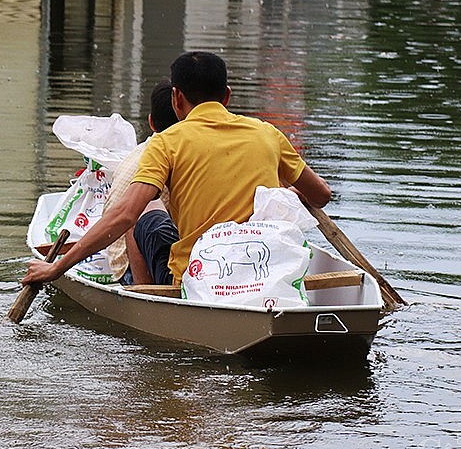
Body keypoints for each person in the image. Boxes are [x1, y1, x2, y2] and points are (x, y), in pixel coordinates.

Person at [22, 51, 331, 288]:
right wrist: (286, 190)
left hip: (199, 279)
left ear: (177, 98)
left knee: (143, 211)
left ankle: (147, 297)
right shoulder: (268, 133)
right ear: (227, 96)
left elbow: (124, 215)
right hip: (263, 272)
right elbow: (321, 194)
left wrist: (56, 268)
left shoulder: (166, 143)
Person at [103, 80, 178, 286]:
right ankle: (145, 290)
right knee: (143, 205)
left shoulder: (142, 148)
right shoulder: (170, 155)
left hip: (116, 256)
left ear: (151, 122)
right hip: (129, 265)